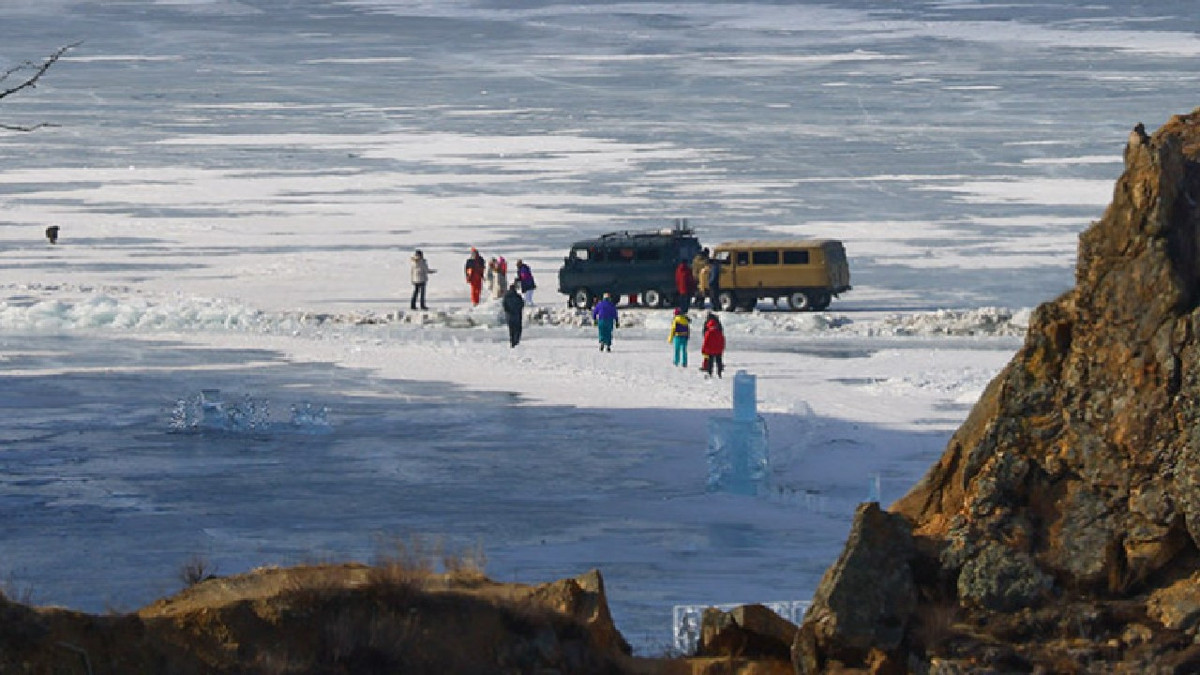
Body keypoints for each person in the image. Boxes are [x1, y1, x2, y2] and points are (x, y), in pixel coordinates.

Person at [701, 312, 725, 379]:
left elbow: (706, 342)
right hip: (718, 350)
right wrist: (722, 348)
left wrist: (703, 349)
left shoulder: (708, 333)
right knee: (719, 361)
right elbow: (722, 341)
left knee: (710, 362)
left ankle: (710, 373)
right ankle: (719, 372)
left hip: (710, 350)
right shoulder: (719, 332)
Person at [502, 281, 525, 347]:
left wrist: (507, 312)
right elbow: (522, 304)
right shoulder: (518, 297)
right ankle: (516, 341)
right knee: (517, 329)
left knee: (511, 330)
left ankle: (512, 341)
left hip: (509, 316)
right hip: (517, 316)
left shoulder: (506, 297)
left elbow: (504, 305)